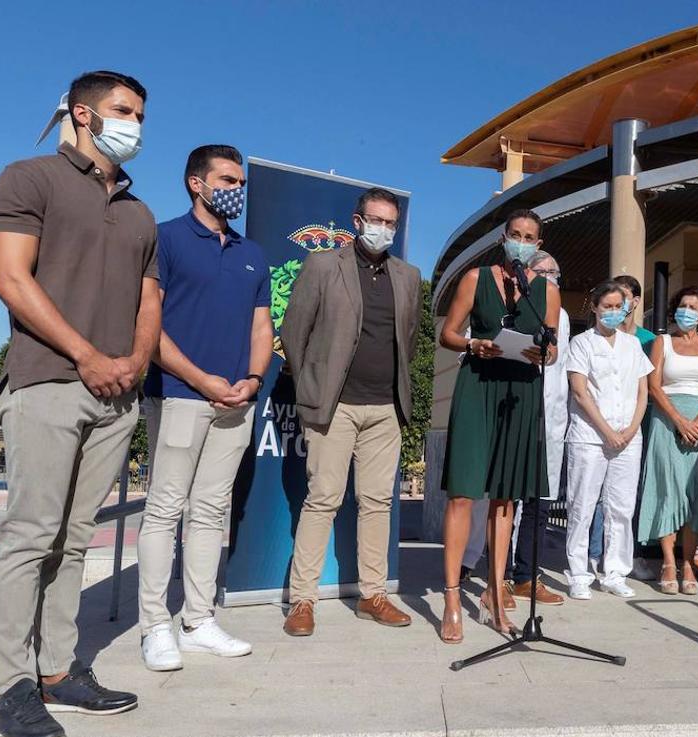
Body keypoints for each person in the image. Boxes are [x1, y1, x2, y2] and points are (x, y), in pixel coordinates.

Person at [0, 70, 158, 737]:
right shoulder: (29, 179)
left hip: (118, 393)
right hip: (49, 381)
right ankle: (11, 685)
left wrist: (133, 362)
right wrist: (86, 353)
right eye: (122, 110)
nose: (135, 123)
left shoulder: (140, 213)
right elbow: (9, 278)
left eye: (141, 113)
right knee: (30, 535)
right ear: (83, 114)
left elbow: (151, 299)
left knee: (75, 539)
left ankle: (58, 669)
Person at [137, 145, 272, 670]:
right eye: (227, 178)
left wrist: (253, 379)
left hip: (236, 403)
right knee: (165, 510)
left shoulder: (251, 252)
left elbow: (263, 327)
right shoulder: (165, 239)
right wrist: (200, 380)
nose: (236, 187)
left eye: (240, 179)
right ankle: (154, 626)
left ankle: (198, 620)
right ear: (197, 183)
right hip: (178, 395)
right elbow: (149, 327)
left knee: (211, 513)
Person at [280, 187, 422, 636]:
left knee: (378, 503)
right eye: (375, 220)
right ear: (357, 222)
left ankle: (374, 595)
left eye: (390, 223)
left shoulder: (408, 275)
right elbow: (294, 330)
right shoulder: (324, 265)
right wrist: (312, 387)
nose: (383, 229)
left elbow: (411, 337)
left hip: (385, 408)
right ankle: (302, 601)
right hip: (335, 406)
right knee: (322, 500)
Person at [438, 210, 561, 643]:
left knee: (505, 499)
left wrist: (543, 355)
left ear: (539, 243)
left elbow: (552, 348)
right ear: (503, 237)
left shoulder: (545, 290)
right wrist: (474, 342)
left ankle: (494, 592)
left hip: (520, 392)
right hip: (479, 385)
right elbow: (448, 334)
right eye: (515, 235)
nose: (521, 242)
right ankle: (452, 598)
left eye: (530, 237)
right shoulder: (475, 279)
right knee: (464, 494)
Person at [563, 281, 653, 599]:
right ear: (595, 308)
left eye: (619, 306)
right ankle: (578, 574)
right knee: (582, 505)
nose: (614, 312)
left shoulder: (632, 345)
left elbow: (643, 391)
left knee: (621, 507)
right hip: (589, 437)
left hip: (628, 438)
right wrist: (607, 431)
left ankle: (614, 571)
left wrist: (629, 430)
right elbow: (579, 390)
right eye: (608, 306)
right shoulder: (582, 343)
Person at [637, 286, 698, 595]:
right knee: (667, 490)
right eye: (682, 306)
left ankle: (689, 561)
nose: (686, 311)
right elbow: (654, 386)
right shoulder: (662, 342)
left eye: (693, 307)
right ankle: (668, 562)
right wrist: (678, 420)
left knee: (695, 495)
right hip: (667, 420)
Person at [504, 251, 569, 606]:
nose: (546, 276)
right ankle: (499, 576)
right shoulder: (510, 303)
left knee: (539, 502)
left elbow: (565, 367)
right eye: (539, 271)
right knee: (506, 499)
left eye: (552, 271)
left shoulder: (561, 316)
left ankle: (527, 576)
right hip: (514, 411)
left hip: (552, 419)